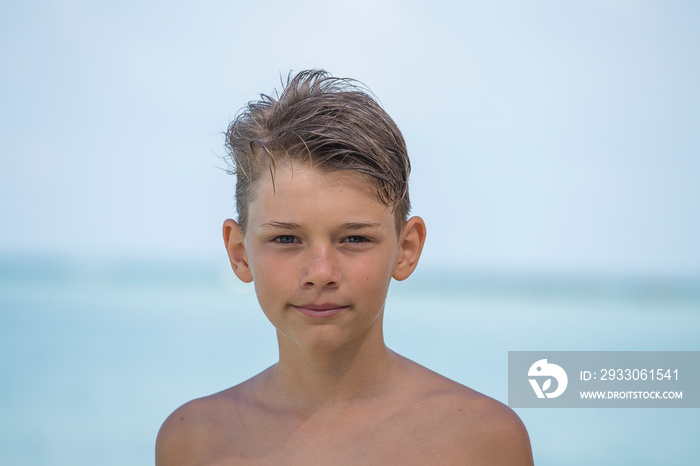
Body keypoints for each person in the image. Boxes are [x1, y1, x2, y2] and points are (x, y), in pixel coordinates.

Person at [156, 69, 534, 465]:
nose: (320, 271)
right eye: (286, 239)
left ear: (406, 249)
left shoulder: (481, 440)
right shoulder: (193, 442)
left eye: (354, 238)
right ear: (239, 252)